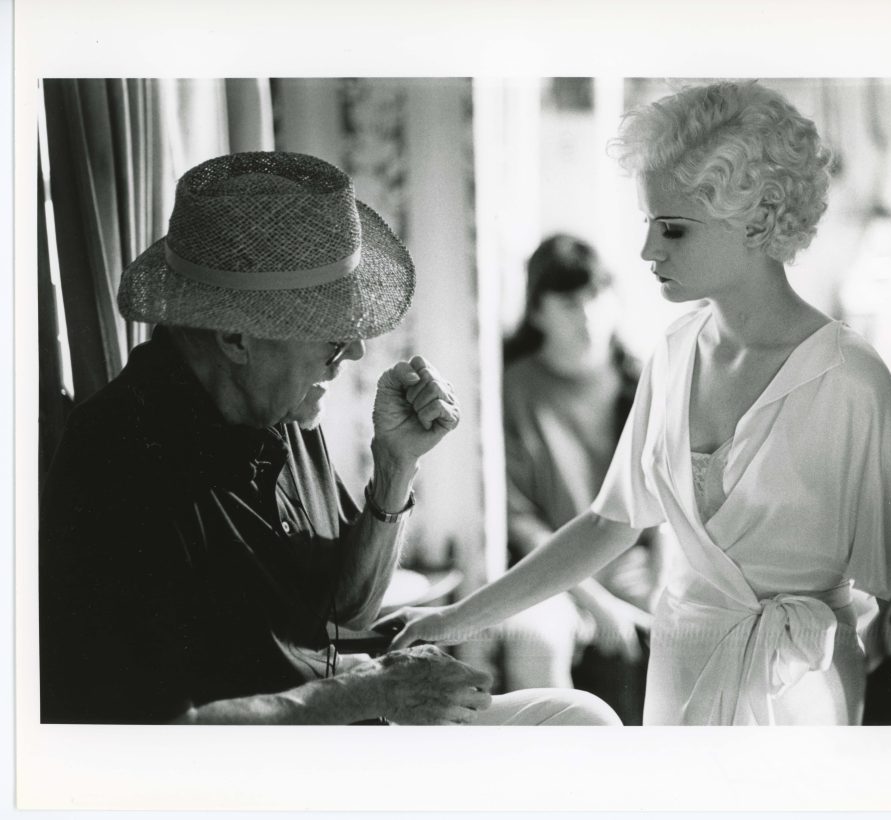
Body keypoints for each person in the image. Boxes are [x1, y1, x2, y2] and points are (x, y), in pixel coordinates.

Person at [388, 82, 891, 725]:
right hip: (677, 671)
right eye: (650, 225)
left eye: (673, 229)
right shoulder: (675, 353)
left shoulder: (853, 382)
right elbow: (610, 522)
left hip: (797, 695)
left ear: (758, 220)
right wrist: (455, 617)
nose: (649, 251)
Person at [38, 150, 620, 727]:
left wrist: (395, 468)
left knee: (578, 718)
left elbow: (347, 607)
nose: (356, 354)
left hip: (342, 729)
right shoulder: (118, 458)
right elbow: (150, 732)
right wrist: (367, 696)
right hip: (258, 776)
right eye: (332, 339)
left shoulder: (278, 411)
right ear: (237, 336)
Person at [499, 235, 663, 721]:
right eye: (569, 301)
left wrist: (658, 575)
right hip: (553, 572)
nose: (588, 313)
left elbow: (672, 498)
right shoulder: (512, 389)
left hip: (632, 559)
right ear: (536, 312)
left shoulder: (643, 381)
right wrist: (595, 597)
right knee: (537, 638)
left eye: (597, 295)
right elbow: (519, 522)